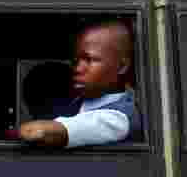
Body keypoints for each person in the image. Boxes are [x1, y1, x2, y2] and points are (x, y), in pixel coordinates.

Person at [16, 19, 141, 147]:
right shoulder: (78, 102)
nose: (77, 69)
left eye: (89, 59)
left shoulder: (118, 119)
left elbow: (36, 132)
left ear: (121, 66)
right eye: (75, 61)